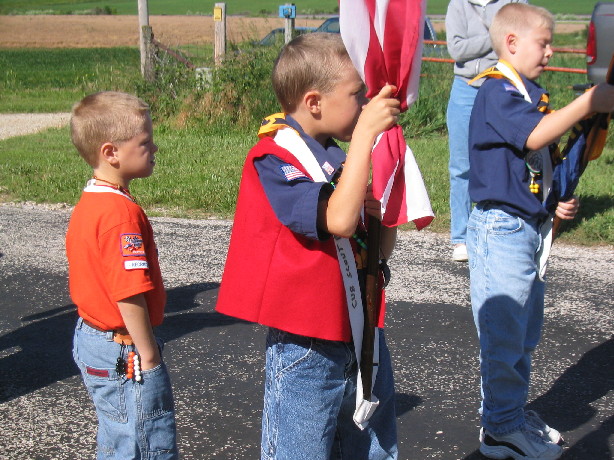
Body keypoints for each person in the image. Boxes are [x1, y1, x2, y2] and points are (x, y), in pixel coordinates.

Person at [216, 33, 401, 459]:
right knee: (300, 450)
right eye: (357, 94)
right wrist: (364, 140)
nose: (364, 103)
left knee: (373, 446)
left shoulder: (339, 158)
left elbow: (380, 249)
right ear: (315, 102)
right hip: (307, 340)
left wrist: (383, 206)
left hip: (361, 327)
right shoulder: (274, 157)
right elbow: (336, 220)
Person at [467, 4, 614, 459]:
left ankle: (510, 414)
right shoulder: (498, 92)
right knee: (505, 336)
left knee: (524, 335)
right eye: (543, 43)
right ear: (511, 43)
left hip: (527, 227)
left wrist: (553, 199)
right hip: (501, 229)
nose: (551, 52)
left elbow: (532, 163)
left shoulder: (528, 90)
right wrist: (587, 102)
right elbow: (533, 138)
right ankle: (499, 429)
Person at [66, 91, 178, 459]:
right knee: (145, 439)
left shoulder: (92, 201)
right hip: (123, 347)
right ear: (111, 152)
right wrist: (148, 355)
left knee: (118, 436)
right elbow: (128, 291)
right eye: (145, 142)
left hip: (93, 337)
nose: (155, 148)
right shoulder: (119, 215)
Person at [445, 0, 527, 262]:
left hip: (504, 84)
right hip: (465, 88)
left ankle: (508, 227)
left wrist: (483, 43)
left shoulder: (515, 2)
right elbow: (456, 50)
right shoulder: (457, 4)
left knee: (509, 159)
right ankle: (461, 237)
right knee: (461, 166)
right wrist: (496, 37)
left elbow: (521, 41)